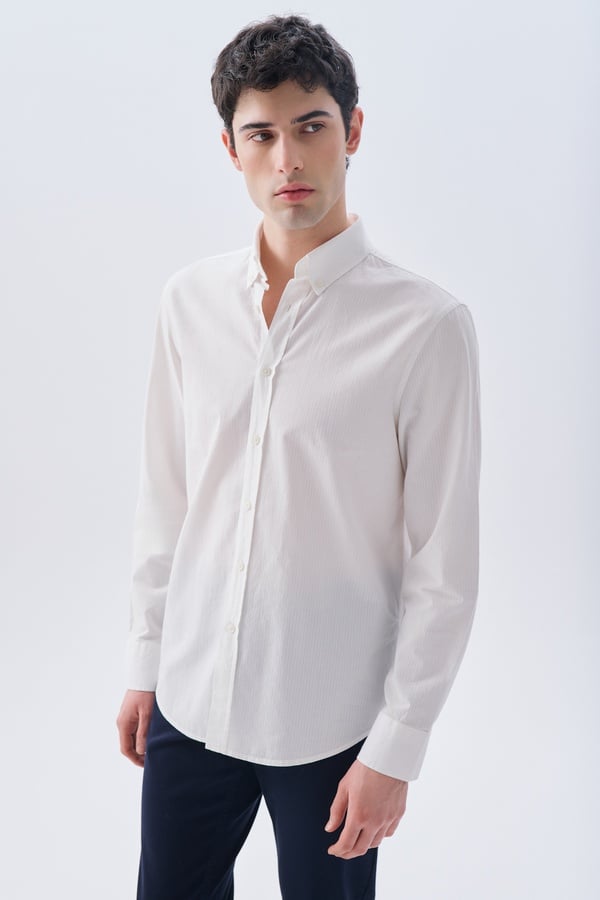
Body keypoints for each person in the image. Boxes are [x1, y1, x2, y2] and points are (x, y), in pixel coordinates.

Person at [116, 13, 481, 900]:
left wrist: (397, 748)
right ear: (231, 148)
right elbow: (167, 502)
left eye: (311, 126)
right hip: (190, 701)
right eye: (262, 134)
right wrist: (144, 666)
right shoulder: (189, 303)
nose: (288, 158)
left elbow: (445, 564)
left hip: (332, 727)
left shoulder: (426, 327)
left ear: (352, 130)